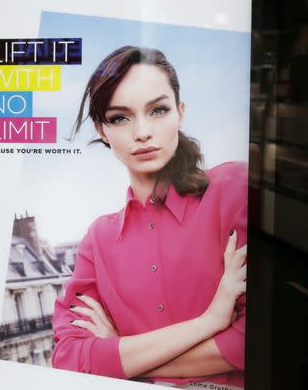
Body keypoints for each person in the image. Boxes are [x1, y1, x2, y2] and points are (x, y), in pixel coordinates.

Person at [51, 46, 247, 389]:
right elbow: (69, 358)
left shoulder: (232, 190)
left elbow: (252, 340)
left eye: (157, 110)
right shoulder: (97, 240)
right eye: (119, 118)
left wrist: (126, 360)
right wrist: (209, 322)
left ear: (180, 113)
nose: (142, 132)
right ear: (102, 130)